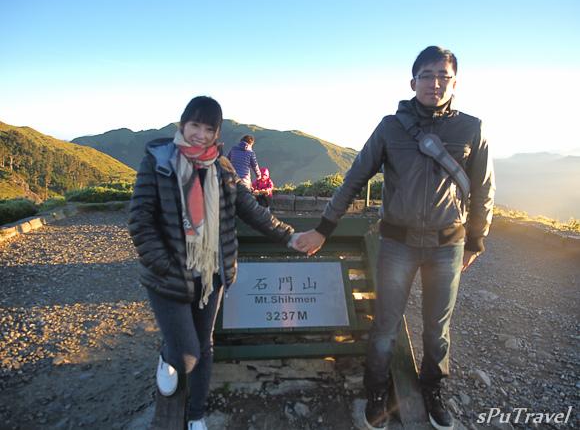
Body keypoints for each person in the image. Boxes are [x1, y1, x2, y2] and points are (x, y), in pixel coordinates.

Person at [295, 46, 495, 430]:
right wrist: (324, 227)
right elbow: (354, 178)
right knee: (386, 323)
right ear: (412, 81)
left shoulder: (472, 128)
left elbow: (483, 189)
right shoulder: (391, 127)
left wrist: (476, 240)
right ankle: (376, 389)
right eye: (427, 75)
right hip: (397, 243)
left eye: (443, 76)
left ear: (455, 82)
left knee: (438, 328)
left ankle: (432, 388)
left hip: (447, 245)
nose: (435, 83)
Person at [128, 96, 301, 430]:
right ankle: (169, 356)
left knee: (204, 347)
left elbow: (250, 208)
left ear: (217, 133)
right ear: (182, 124)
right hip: (169, 276)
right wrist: (163, 263)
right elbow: (139, 220)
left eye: (209, 128)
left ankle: (196, 415)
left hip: (211, 275)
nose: (200, 134)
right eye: (194, 125)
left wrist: (289, 236)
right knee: (187, 353)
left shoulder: (222, 167)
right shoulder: (158, 160)